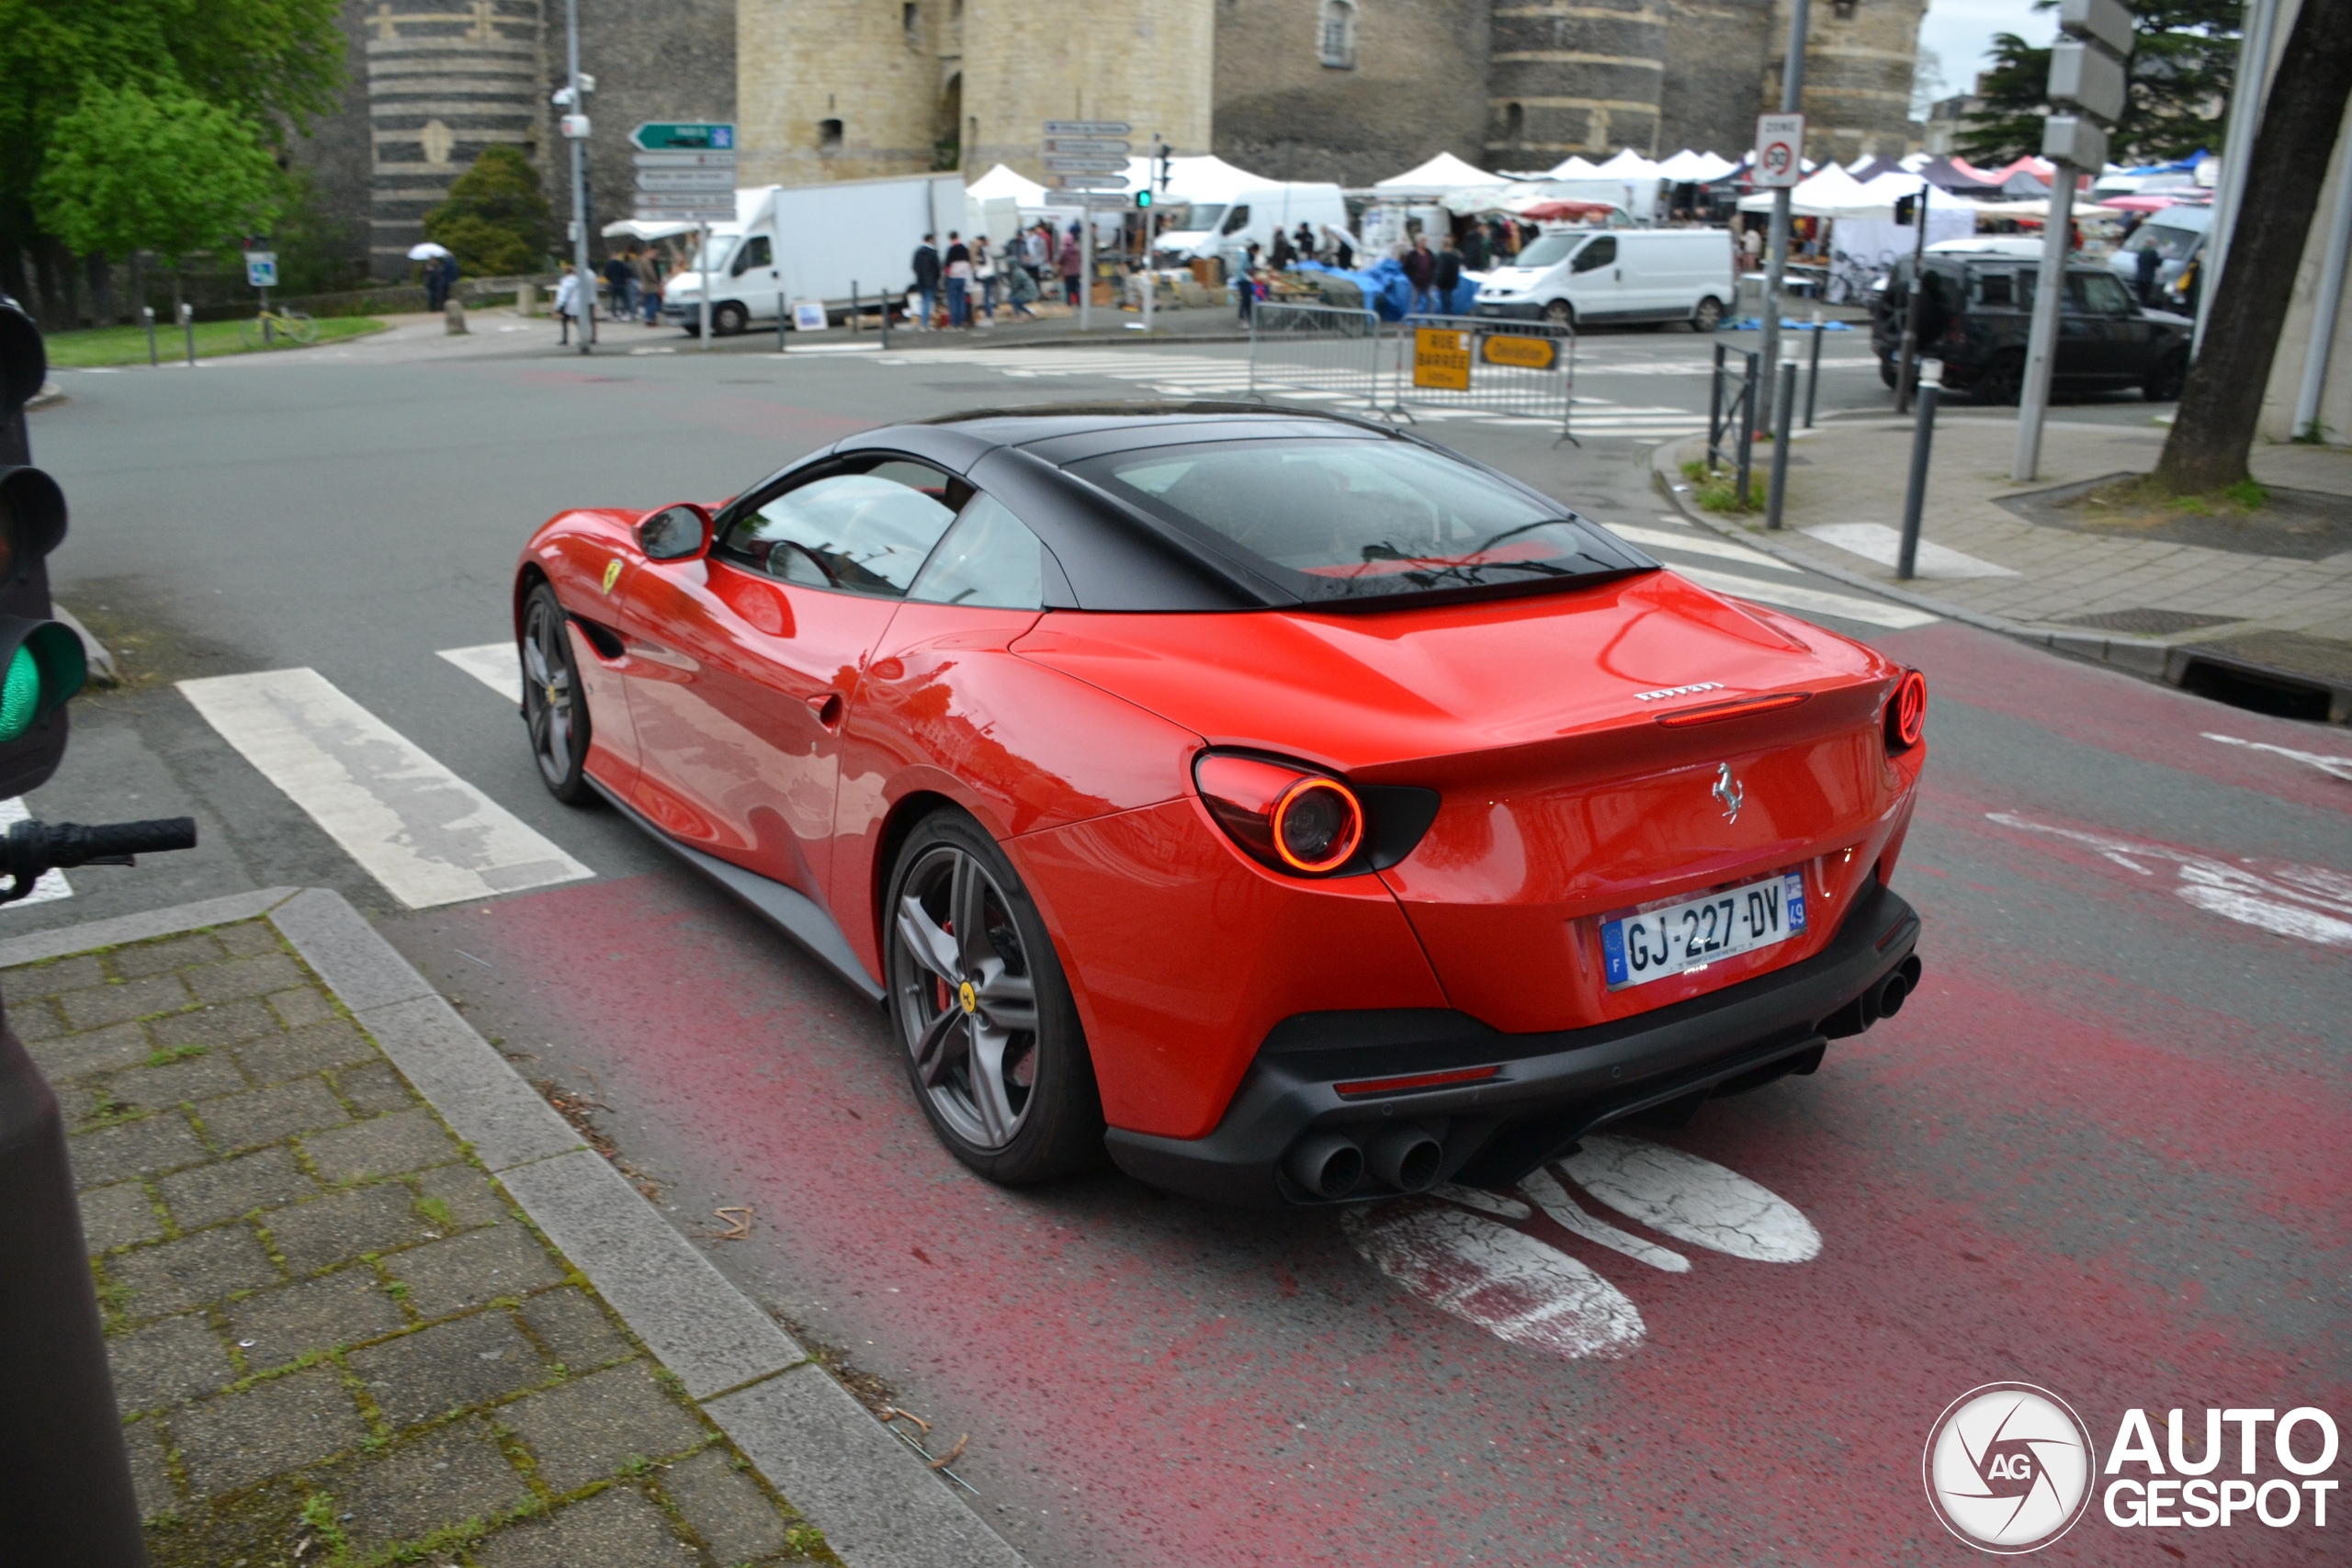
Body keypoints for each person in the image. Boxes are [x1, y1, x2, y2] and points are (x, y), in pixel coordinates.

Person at [910, 232, 942, 331]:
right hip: (930, 280)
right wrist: (936, 278)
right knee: (928, 302)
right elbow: (937, 268)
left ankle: (923, 323)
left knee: (924, 301)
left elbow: (914, 267)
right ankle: (924, 323)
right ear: (931, 240)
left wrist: (919, 275)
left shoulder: (918, 252)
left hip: (920, 280)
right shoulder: (933, 252)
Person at [1403, 232, 1438, 315]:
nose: (1425, 242)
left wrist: (1433, 276)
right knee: (1414, 301)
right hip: (1416, 282)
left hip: (1428, 281)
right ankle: (1415, 320)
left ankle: (1431, 318)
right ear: (1418, 242)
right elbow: (1406, 267)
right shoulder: (1412, 254)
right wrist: (1412, 277)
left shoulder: (1429, 253)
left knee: (1432, 299)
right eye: (1423, 240)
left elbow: (1434, 265)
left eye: (1425, 240)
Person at [944, 231, 971, 327]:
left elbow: (947, 266)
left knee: (953, 301)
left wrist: (947, 276)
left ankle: (954, 322)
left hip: (953, 278)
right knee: (961, 300)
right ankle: (961, 321)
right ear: (958, 237)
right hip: (962, 277)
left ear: (950, 239)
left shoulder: (951, 250)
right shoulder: (964, 249)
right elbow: (969, 264)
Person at [552, 262, 582, 344]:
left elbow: (563, 294)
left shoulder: (566, 282)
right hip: (578, 303)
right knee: (578, 322)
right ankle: (582, 338)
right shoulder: (579, 281)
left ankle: (565, 339)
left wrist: (559, 306)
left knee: (565, 321)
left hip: (568, 304)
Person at [1432, 232, 1462, 314]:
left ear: (1443, 245)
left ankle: (1446, 320)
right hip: (1452, 283)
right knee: (1450, 302)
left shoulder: (1443, 256)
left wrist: (1437, 283)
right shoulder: (1456, 255)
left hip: (1444, 284)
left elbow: (1441, 271)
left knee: (1445, 303)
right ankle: (1450, 320)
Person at [634, 244, 662, 324]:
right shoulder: (646, 261)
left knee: (649, 302)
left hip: (647, 285)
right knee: (652, 302)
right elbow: (650, 273)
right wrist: (657, 281)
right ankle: (650, 318)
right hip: (651, 285)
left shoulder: (642, 261)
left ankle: (649, 318)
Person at [972, 237, 997, 326]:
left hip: (984, 275)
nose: (975, 242)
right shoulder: (988, 249)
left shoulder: (981, 250)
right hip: (990, 274)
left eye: (976, 241)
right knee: (987, 295)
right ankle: (990, 315)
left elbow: (983, 261)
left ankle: (989, 316)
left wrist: (976, 263)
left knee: (986, 296)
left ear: (980, 241)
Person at [603, 251, 634, 321]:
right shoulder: (621, 264)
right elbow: (626, 273)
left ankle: (613, 313)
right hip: (622, 283)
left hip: (613, 284)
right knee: (624, 299)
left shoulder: (608, 264)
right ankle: (626, 313)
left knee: (614, 300)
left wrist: (610, 279)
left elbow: (606, 275)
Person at [1057, 225, 1082, 306]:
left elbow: (1061, 261)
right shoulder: (1077, 250)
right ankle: (1079, 301)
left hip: (1067, 272)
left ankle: (1069, 302)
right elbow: (1080, 259)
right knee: (1076, 287)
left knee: (1068, 288)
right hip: (1076, 271)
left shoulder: (1064, 251)